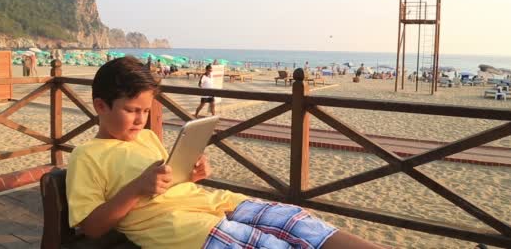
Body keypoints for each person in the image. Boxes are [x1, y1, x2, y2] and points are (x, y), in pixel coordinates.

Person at [66, 57, 382, 249]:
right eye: (132, 110)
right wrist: (136, 187)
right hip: (186, 230)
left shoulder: (148, 138)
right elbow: (91, 228)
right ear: (100, 106)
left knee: (299, 222)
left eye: (146, 111)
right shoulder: (87, 155)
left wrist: (187, 176)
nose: (140, 119)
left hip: (217, 204)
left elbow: (165, 186)